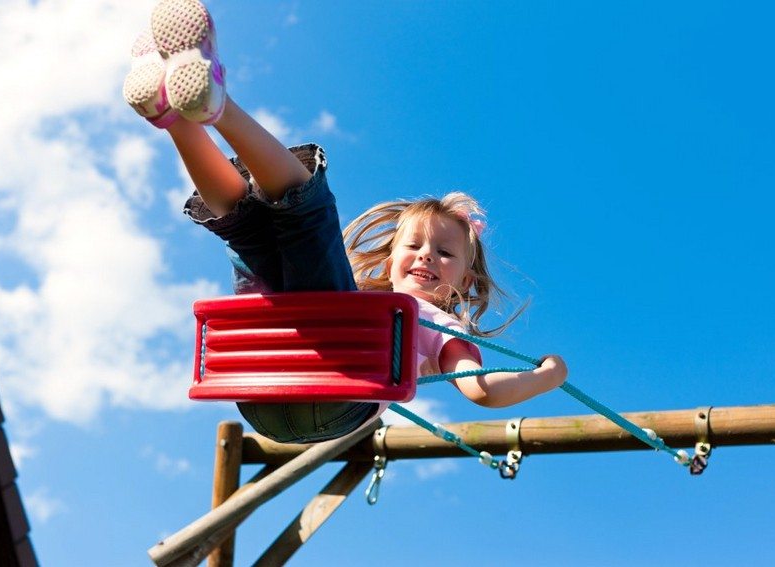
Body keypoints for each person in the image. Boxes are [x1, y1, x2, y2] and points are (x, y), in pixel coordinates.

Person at [124, 0, 567, 443]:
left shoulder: (434, 321)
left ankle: (217, 104)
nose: (427, 255)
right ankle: (175, 118)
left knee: (307, 214)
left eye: (445, 252)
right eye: (414, 246)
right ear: (391, 257)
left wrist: (546, 377)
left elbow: (482, 390)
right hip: (269, 386)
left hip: (327, 394)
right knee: (248, 226)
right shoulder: (363, 297)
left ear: (465, 281)